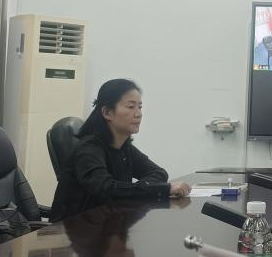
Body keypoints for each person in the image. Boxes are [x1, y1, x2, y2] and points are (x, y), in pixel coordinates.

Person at [51, 78, 190, 221]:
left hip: (107, 224)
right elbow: (107, 190)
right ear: (107, 112)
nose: (138, 114)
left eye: (140, 107)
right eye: (131, 107)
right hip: (72, 229)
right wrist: (158, 189)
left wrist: (134, 190)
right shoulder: (88, 149)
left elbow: (159, 173)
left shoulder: (123, 147)